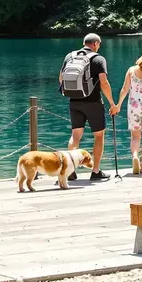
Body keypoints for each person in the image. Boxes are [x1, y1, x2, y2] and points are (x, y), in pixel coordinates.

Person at [58, 33, 116, 182]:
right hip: (93, 102)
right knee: (99, 135)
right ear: (96, 43)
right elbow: (103, 82)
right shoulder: (98, 58)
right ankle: (95, 171)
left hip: (74, 101)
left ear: (84, 43)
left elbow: (61, 77)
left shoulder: (70, 56)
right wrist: (112, 103)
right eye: (100, 44)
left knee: (75, 135)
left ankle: (70, 171)